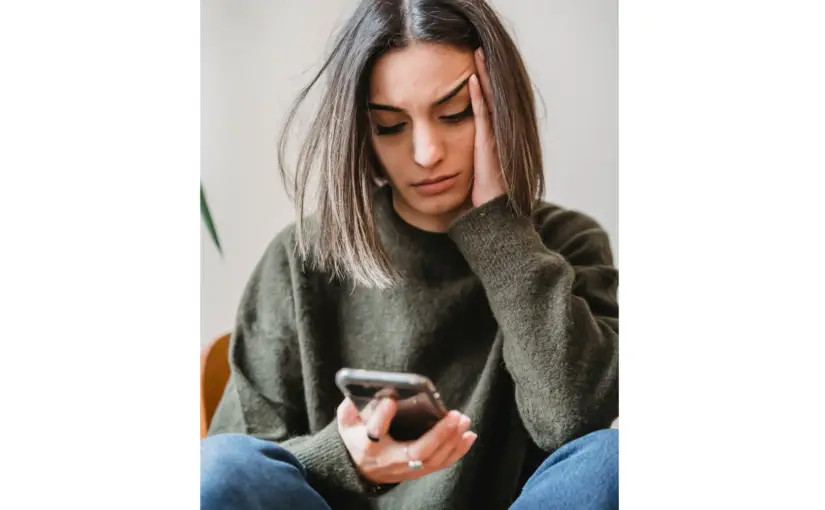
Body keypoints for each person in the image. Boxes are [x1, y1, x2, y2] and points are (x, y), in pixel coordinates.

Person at [201, 0, 619, 508]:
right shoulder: (302, 259)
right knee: (221, 467)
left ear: (501, 108)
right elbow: (235, 470)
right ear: (361, 132)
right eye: (390, 125)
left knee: (614, 460)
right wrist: (346, 458)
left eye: (454, 114)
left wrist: (500, 233)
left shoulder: (568, 243)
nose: (425, 153)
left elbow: (572, 424)